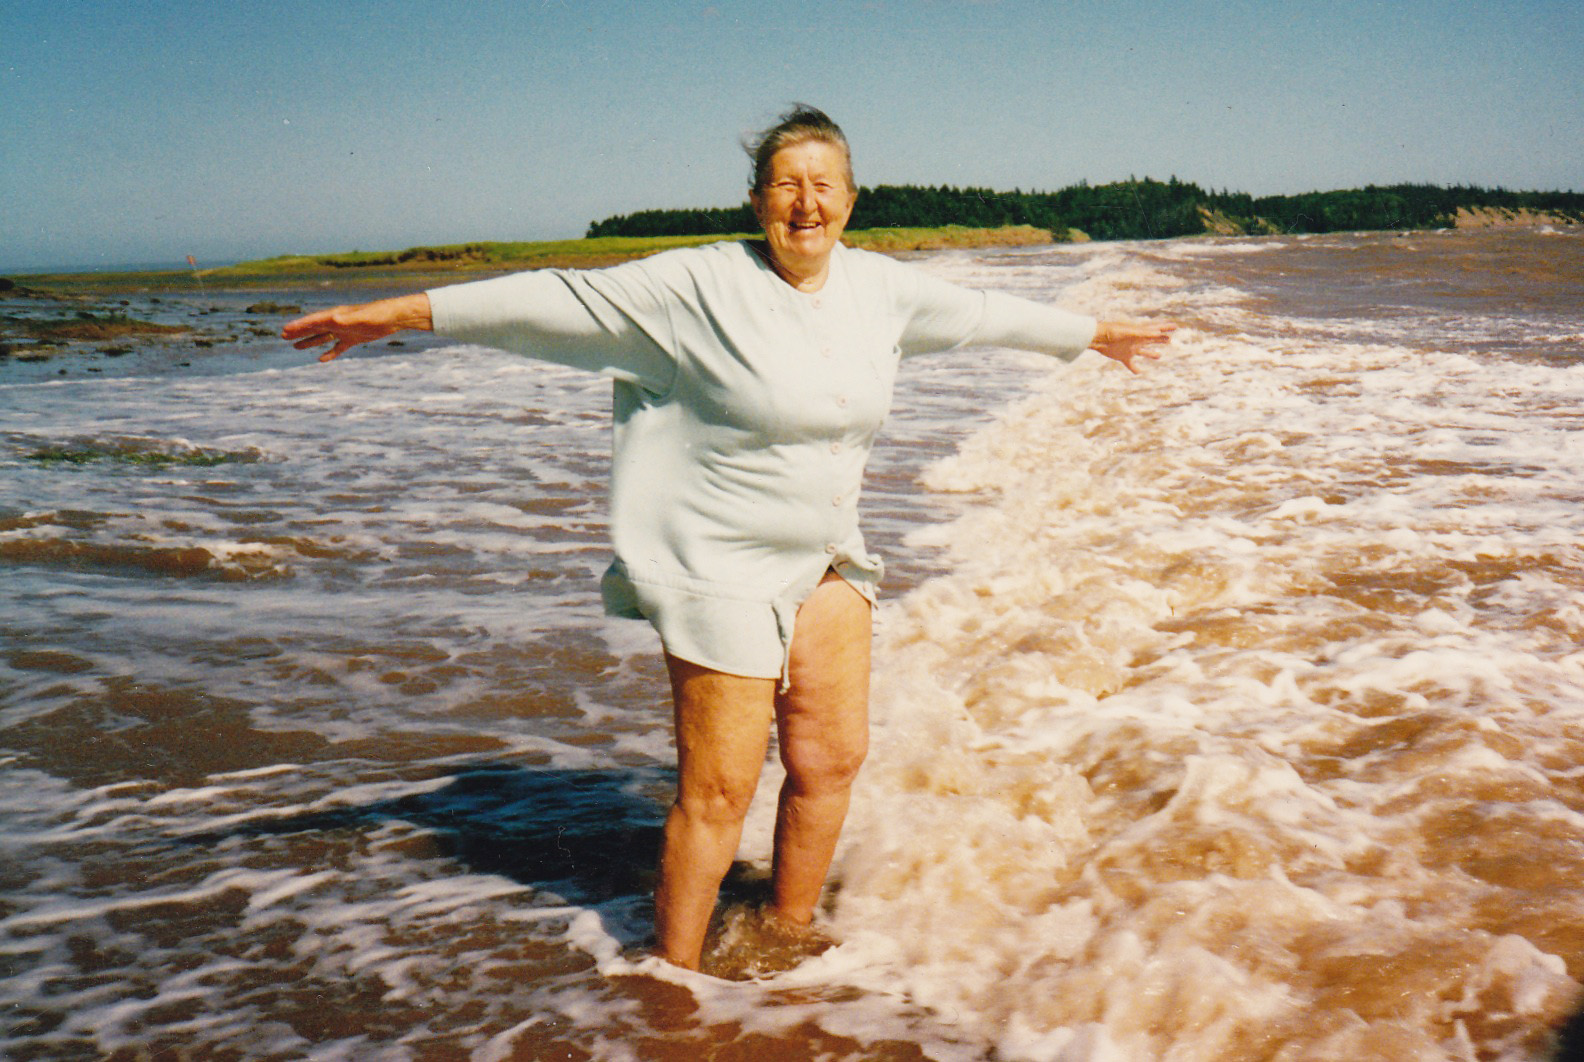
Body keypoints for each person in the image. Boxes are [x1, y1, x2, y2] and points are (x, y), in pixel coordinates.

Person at [282, 105, 1176, 972]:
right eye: (787, 184)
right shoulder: (693, 287)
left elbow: (985, 315)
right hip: (720, 569)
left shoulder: (880, 289)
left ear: (852, 200)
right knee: (717, 795)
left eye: (824, 185)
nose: (807, 202)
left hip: (829, 557)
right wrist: (402, 313)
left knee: (830, 762)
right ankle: (670, 983)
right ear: (758, 202)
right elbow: (551, 300)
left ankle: (786, 936)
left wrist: (1094, 335)